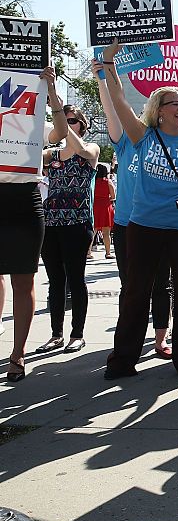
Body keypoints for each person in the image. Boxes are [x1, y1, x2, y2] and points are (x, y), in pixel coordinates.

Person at [101, 40, 178, 381]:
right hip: (145, 226)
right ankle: (123, 360)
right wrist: (109, 64)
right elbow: (120, 101)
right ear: (160, 108)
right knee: (136, 292)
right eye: (175, 103)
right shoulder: (143, 136)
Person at [94, 59, 172, 360]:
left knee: (161, 285)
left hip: (161, 224)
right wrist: (103, 77)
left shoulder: (169, 140)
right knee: (130, 287)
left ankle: (160, 339)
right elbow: (112, 109)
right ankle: (128, 339)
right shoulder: (126, 140)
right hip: (128, 224)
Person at [1, 68, 68, 381]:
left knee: (23, 281)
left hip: (26, 200)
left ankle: (18, 353)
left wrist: (52, 90)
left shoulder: (34, 125)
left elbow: (61, 133)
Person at [36, 105, 99, 355]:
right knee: (55, 282)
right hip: (50, 223)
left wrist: (63, 128)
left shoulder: (90, 149)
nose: (66, 124)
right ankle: (56, 334)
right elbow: (31, 157)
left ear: (81, 124)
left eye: (71, 120)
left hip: (77, 222)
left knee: (76, 279)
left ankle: (77, 334)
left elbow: (80, 149)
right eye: (63, 121)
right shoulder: (52, 154)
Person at [92, 163, 115, 259]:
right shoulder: (108, 182)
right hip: (105, 206)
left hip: (95, 206)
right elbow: (113, 196)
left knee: (93, 230)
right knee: (106, 232)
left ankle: (88, 252)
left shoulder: (92, 182)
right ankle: (108, 253)